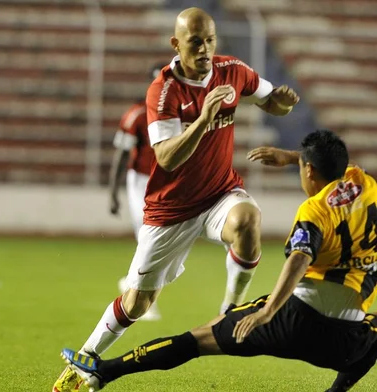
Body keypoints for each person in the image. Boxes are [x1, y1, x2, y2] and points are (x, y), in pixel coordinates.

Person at [52, 7, 299, 392]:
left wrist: (283, 102)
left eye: (210, 40)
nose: (205, 49)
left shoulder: (232, 70)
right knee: (137, 303)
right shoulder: (163, 91)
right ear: (176, 44)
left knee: (249, 219)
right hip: (170, 210)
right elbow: (166, 157)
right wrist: (202, 120)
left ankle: (229, 310)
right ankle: (85, 357)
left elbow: (271, 102)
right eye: (195, 42)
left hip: (219, 194)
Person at [62, 130, 377, 392]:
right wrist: (292, 157)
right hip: (347, 339)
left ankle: (105, 371)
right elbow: (338, 165)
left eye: (301, 168)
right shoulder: (366, 184)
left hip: (293, 321)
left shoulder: (315, 211)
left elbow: (299, 257)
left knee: (197, 339)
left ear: (309, 170)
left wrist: (268, 312)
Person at [109, 64, 167, 322]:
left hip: (168, 182)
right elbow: (121, 155)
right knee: (148, 237)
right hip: (141, 182)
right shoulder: (137, 115)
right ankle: (140, 298)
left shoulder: (181, 113)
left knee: (161, 242)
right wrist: (113, 192)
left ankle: (133, 287)